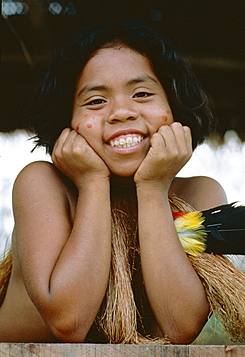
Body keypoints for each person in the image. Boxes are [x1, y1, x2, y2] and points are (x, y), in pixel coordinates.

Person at [0, 20, 244, 344]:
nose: (121, 112)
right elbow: (68, 322)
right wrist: (92, 183)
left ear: (174, 109)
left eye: (142, 94)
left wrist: (153, 187)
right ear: (67, 124)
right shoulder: (42, 183)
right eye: (96, 101)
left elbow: (181, 326)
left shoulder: (199, 192)